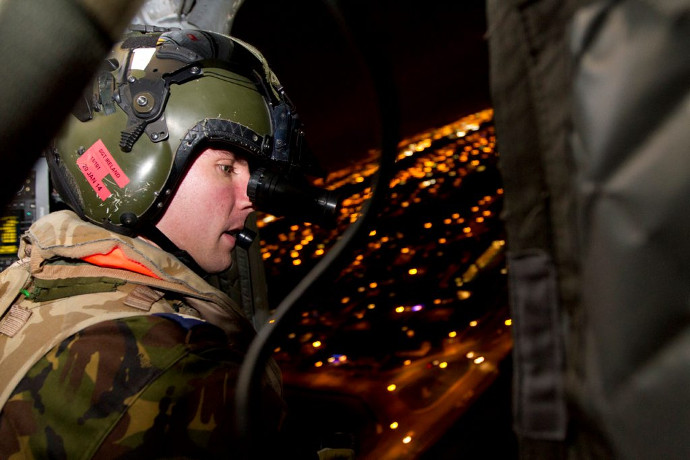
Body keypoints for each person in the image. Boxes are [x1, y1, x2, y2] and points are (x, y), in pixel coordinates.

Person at [0, 28, 323, 458]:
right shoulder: (189, 381)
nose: (250, 197)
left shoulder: (34, 279)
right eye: (227, 167)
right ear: (140, 170)